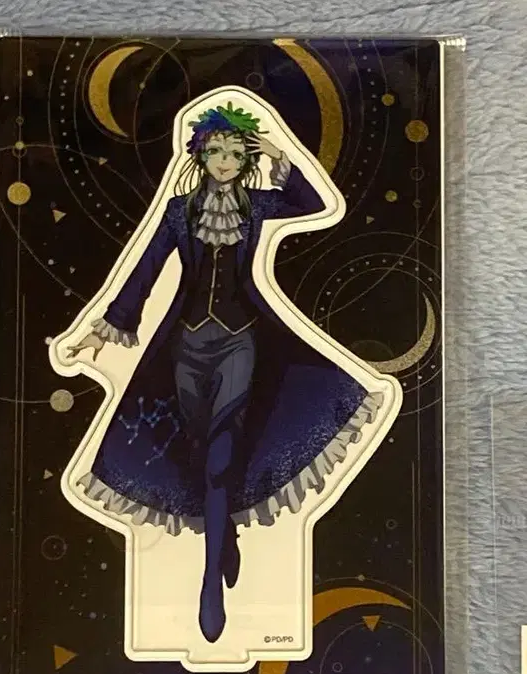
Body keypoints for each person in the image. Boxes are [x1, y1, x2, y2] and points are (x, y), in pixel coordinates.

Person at [68, 102, 383, 643]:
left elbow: (311, 202)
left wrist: (281, 156)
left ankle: (209, 583)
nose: (225, 161)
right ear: (200, 154)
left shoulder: (257, 207)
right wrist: (104, 330)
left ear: (246, 159)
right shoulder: (178, 212)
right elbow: (145, 270)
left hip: (242, 344)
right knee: (198, 455)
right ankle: (226, 534)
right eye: (216, 150)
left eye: (236, 153)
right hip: (184, 347)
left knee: (220, 460)